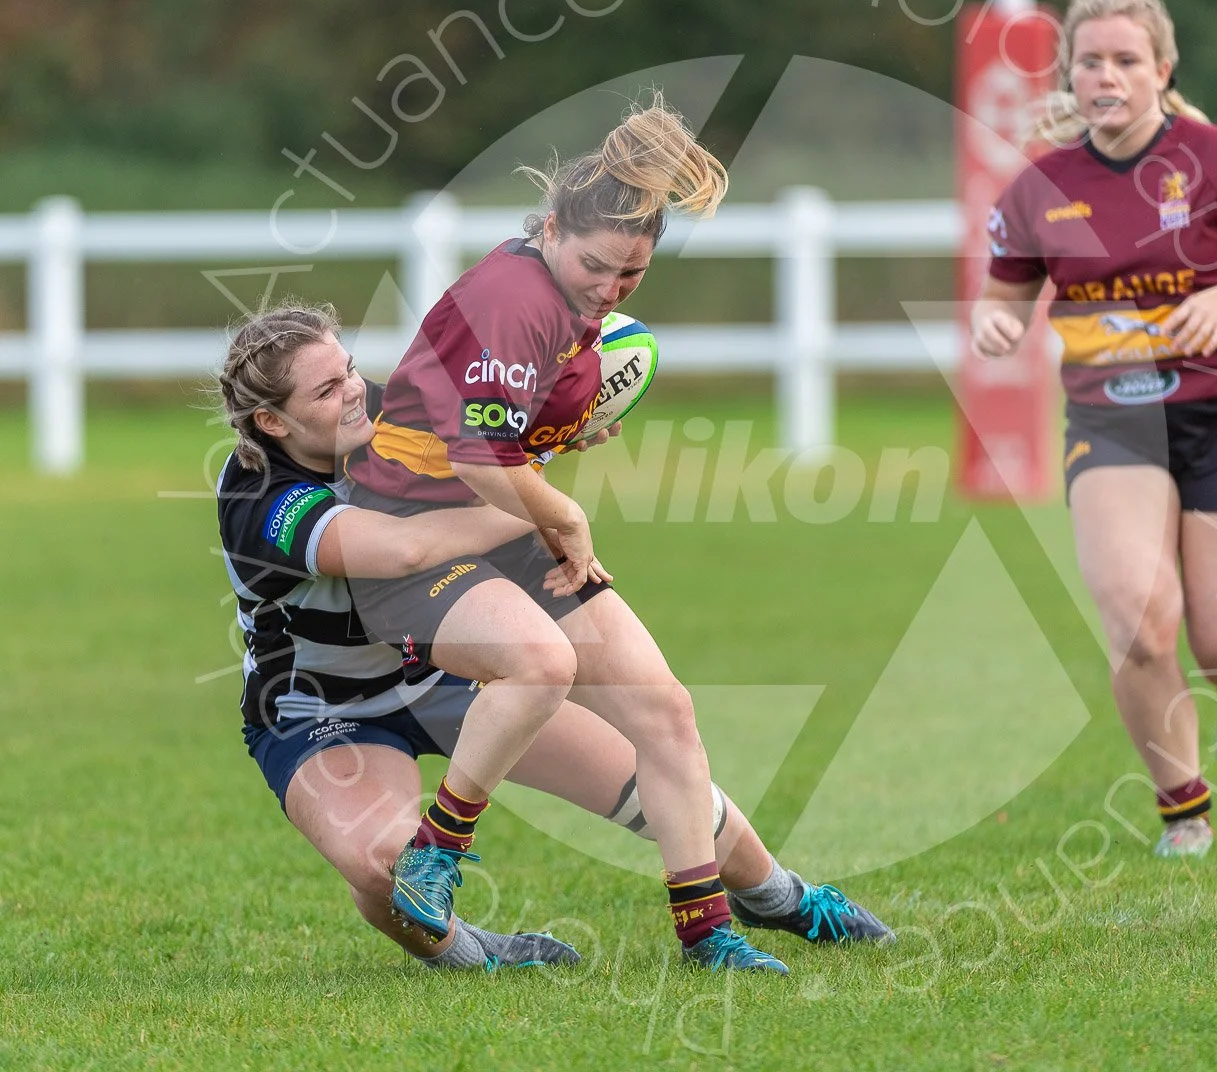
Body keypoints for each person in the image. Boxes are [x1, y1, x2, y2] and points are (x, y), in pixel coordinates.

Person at [216, 303, 893, 973]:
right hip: (322, 712)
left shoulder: (397, 421)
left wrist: (552, 432)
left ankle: (779, 896)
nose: (356, 390)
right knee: (382, 869)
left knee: (650, 786)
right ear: (273, 421)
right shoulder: (258, 496)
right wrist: (538, 501)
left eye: (351, 369)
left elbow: (500, 442)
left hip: (442, 678)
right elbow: (404, 549)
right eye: (328, 389)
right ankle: (477, 954)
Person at [341, 94, 814, 970]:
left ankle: (708, 934)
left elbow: (505, 430)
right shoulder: (515, 292)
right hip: (412, 536)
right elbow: (481, 458)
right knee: (544, 664)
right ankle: (436, 854)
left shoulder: (575, 301)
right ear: (551, 227)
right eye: (595, 265)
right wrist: (565, 511)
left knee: (665, 712)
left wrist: (562, 434)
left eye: (630, 276)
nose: (609, 288)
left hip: (498, 530)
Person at [971, 0, 1217, 858]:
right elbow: (1006, 290)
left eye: (1126, 60)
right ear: (1071, 75)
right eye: (1091, 61)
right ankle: (1183, 812)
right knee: (1136, 614)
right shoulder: (1042, 185)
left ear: (1162, 69)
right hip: (1113, 420)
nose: (1107, 76)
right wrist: (997, 318)